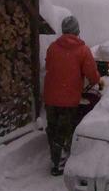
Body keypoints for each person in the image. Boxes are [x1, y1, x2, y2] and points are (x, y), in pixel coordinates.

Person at [43, 15, 102, 176]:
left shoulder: (53, 48)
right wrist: (98, 80)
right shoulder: (83, 50)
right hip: (69, 99)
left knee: (53, 129)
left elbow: (48, 65)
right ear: (77, 31)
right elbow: (92, 74)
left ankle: (55, 159)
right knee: (66, 129)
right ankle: (61, 162)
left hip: (50, 97)